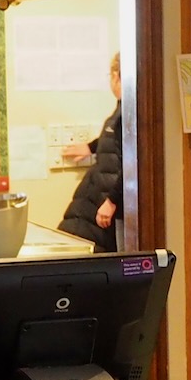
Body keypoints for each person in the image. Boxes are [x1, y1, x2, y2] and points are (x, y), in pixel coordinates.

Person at [59, 54, 123, 251]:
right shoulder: (123, 110)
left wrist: (112, 202)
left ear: (116, 76)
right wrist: (91, 147)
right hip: (99, 198)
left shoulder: (130, 111)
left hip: (107, 204)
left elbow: (133, 162)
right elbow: (118, 141)